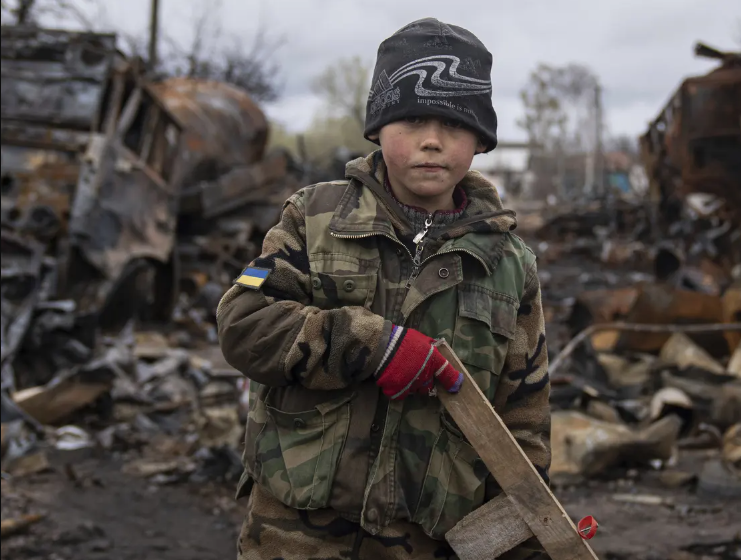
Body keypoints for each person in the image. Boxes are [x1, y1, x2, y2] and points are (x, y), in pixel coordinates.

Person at [217, 17, 551, 560]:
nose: (433, 141)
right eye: (413, 118)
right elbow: (243, 321)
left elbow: (523, 425)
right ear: (378, 126)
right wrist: (369, 345)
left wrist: (526, 541)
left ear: (481, 139)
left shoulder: (509, 266)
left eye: (455, 123)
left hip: (428, 543)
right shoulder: (312, 217)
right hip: (294, 538)